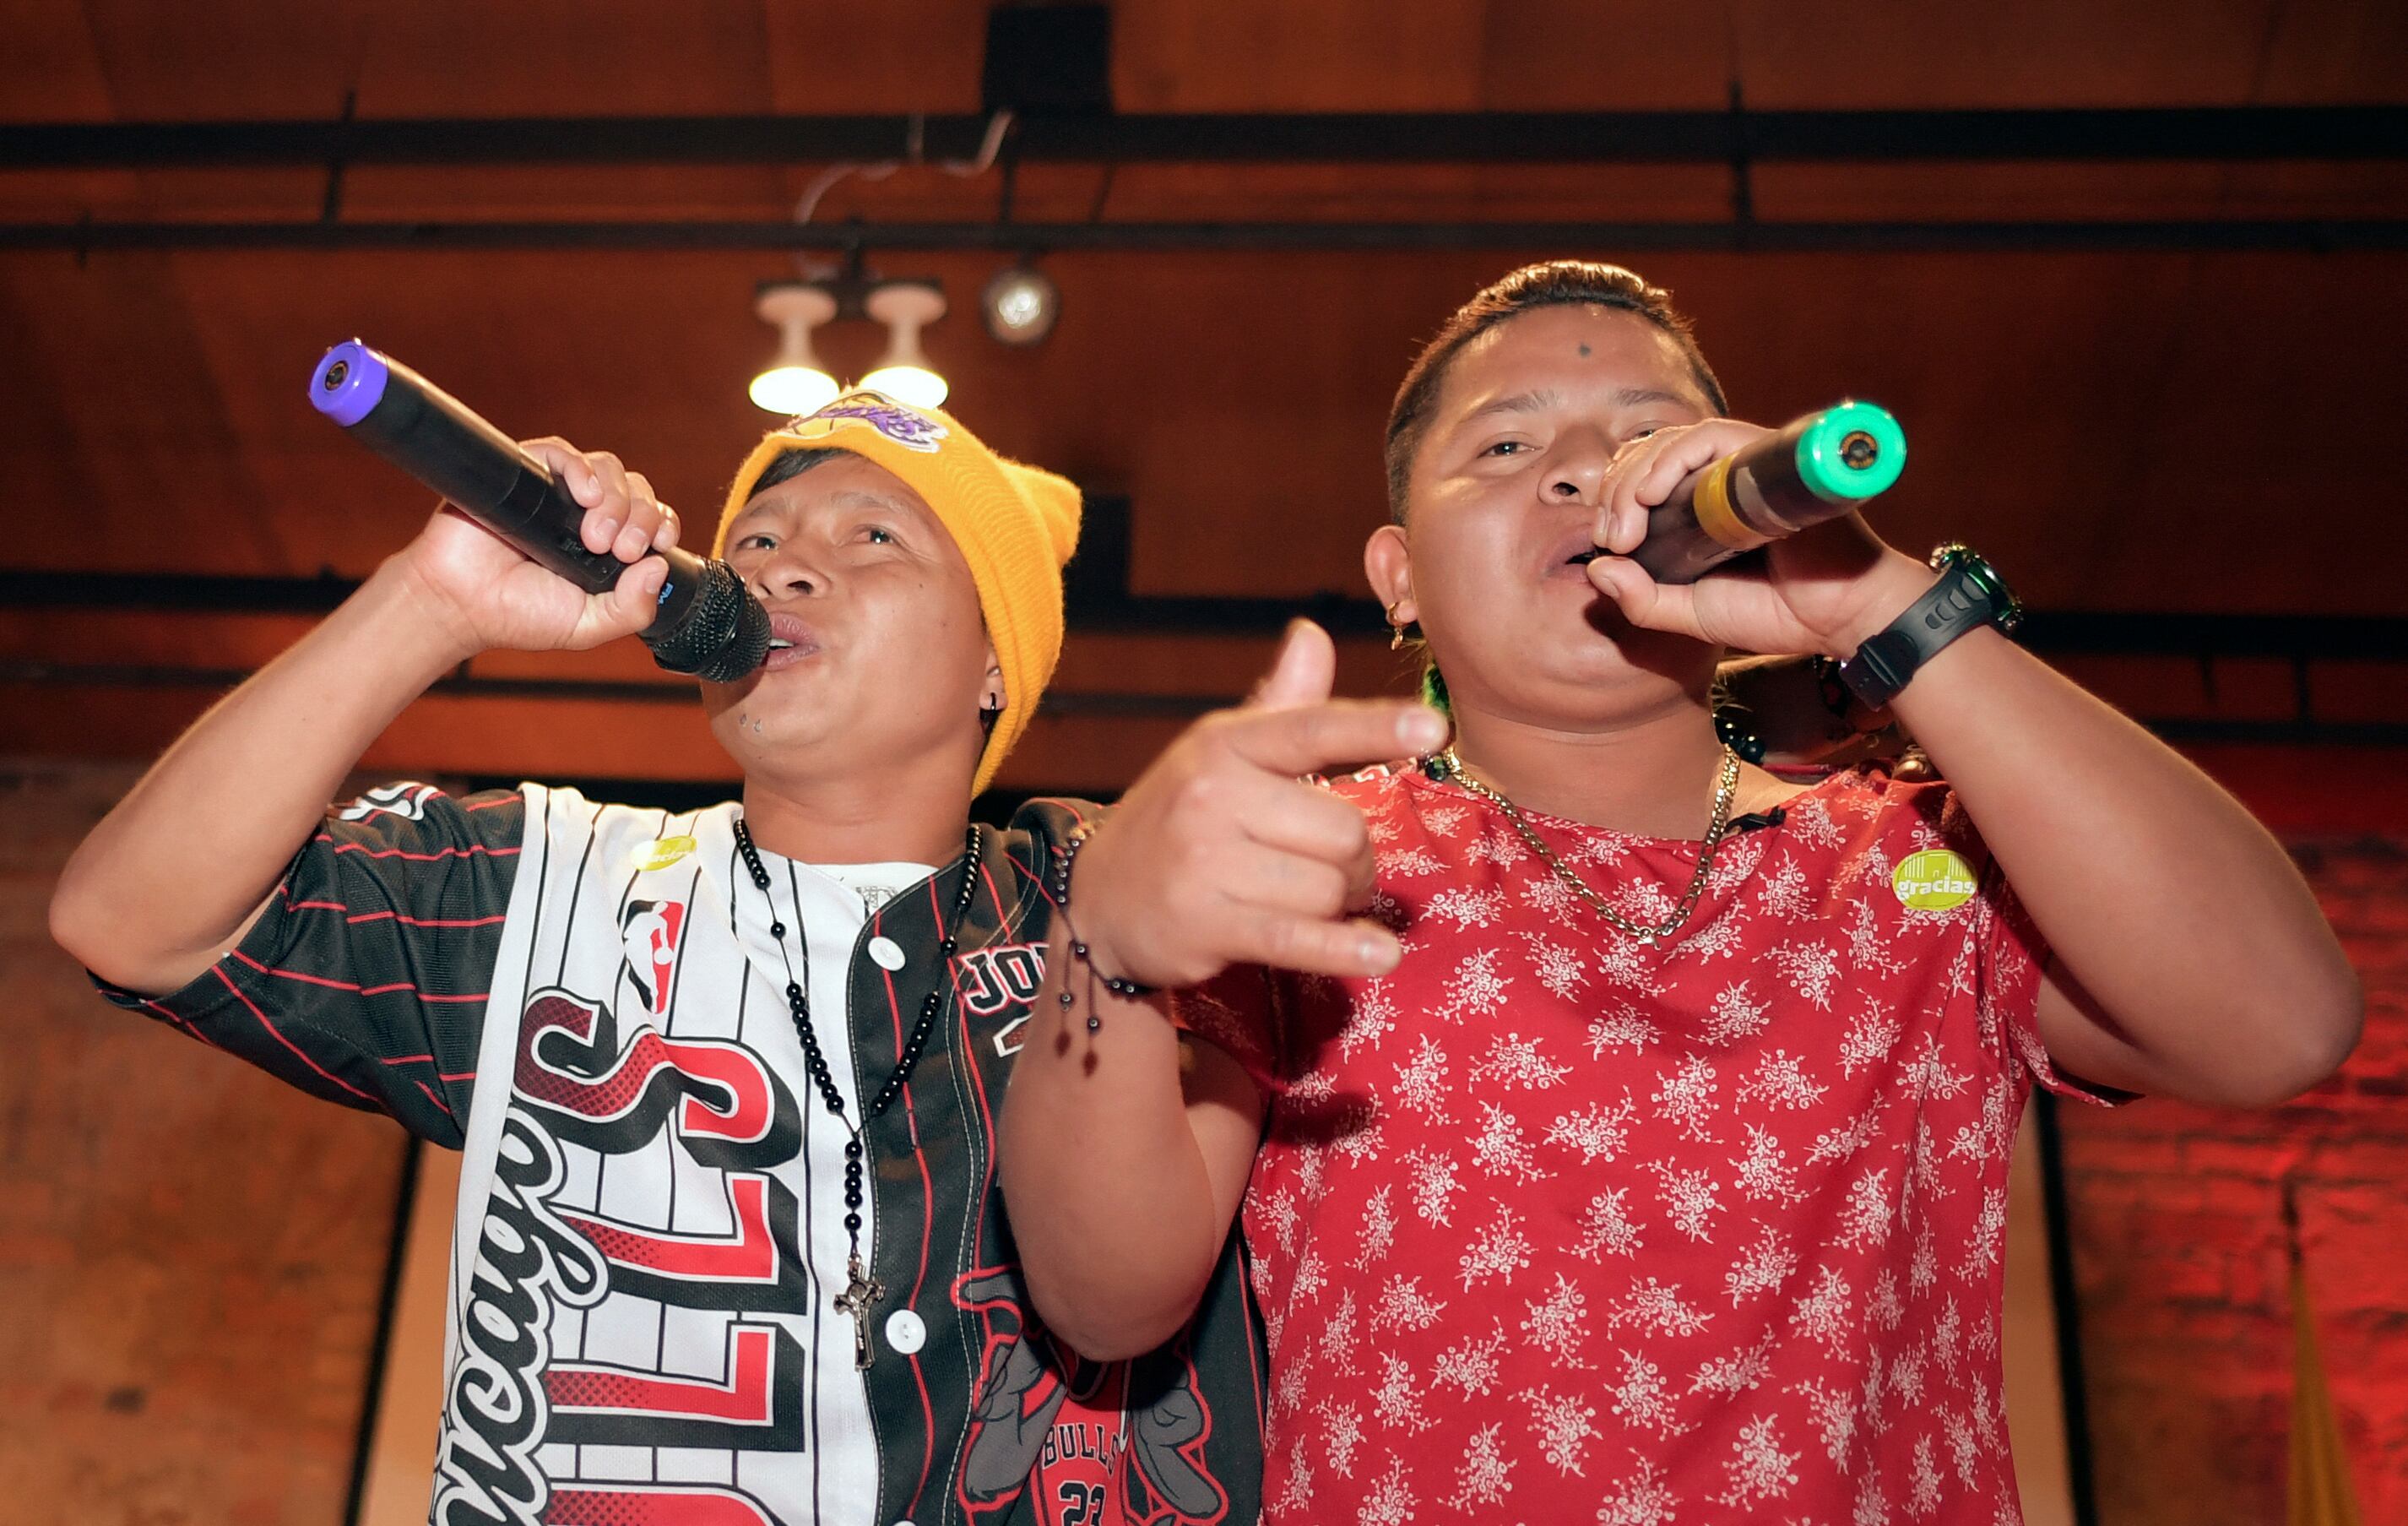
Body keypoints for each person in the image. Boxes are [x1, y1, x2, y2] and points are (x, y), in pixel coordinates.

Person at [999, 262, 2362, 1523]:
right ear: (1399, 579)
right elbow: (1105, 1300)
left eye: (1640, 436)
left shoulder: (1923, 873)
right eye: (1506, 445)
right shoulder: (1309, 868)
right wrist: (1104, 945)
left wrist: (1880, 607)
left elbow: (2282, 1024)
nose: (1584, 472)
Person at [51, 392, 1263, 1526]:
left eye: (873, 537)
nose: (784, 564)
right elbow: (134, 921)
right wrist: (435, 598)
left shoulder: (1099, 892)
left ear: (1000, 660)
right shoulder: (547, 883)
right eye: (755, 544)